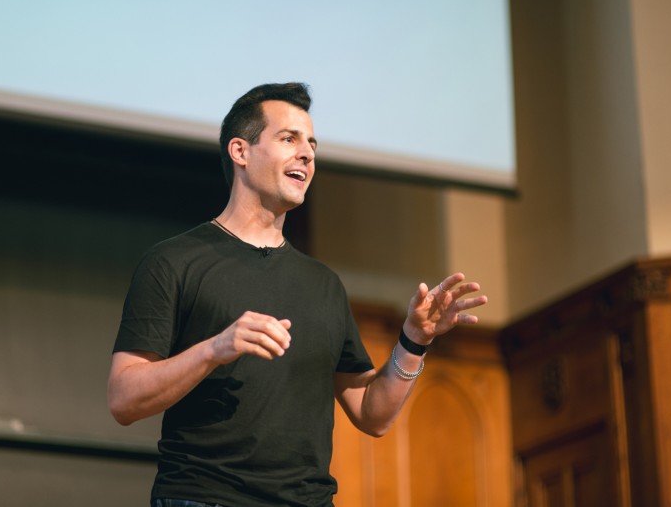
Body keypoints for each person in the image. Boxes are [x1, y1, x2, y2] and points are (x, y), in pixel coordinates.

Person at [107, 82, 488, 507]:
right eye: (288, 139)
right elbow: (124, 398)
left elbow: (372, 414)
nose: (306, 153)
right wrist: (214, 348)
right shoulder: (174, 261)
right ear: (240, 152)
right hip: (204, 497)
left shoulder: (323, 284)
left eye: (311, 144)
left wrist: (414, 341)